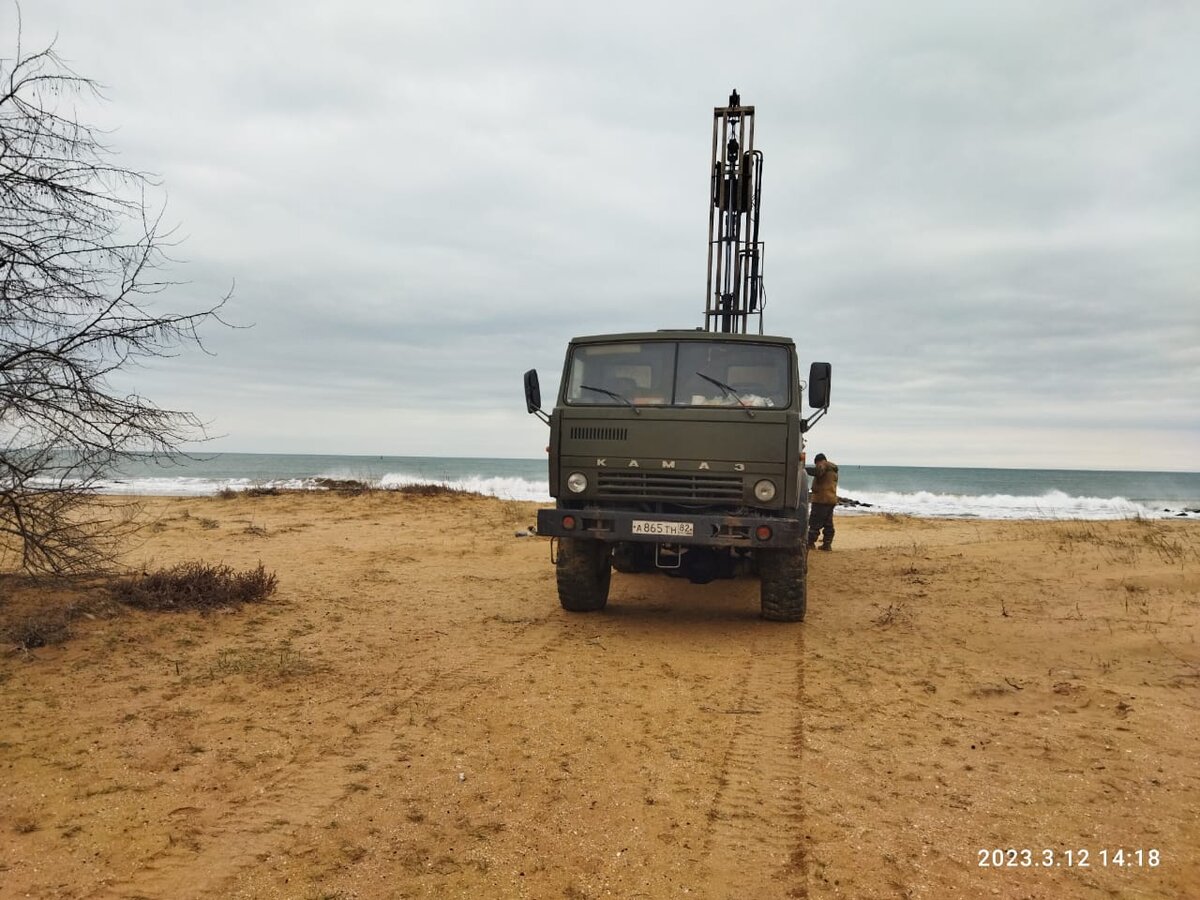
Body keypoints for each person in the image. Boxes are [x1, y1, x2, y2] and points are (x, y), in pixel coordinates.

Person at [806, 452, 839, 551]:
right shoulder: (833, 469)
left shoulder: (823, 465)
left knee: (815, 522)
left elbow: (818, 472)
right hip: (831, 499)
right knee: (828, 524)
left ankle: (810, 543)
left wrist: (803, 469)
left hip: (821, 499)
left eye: (816, 464)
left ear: (818, 461)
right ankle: (827, 544)